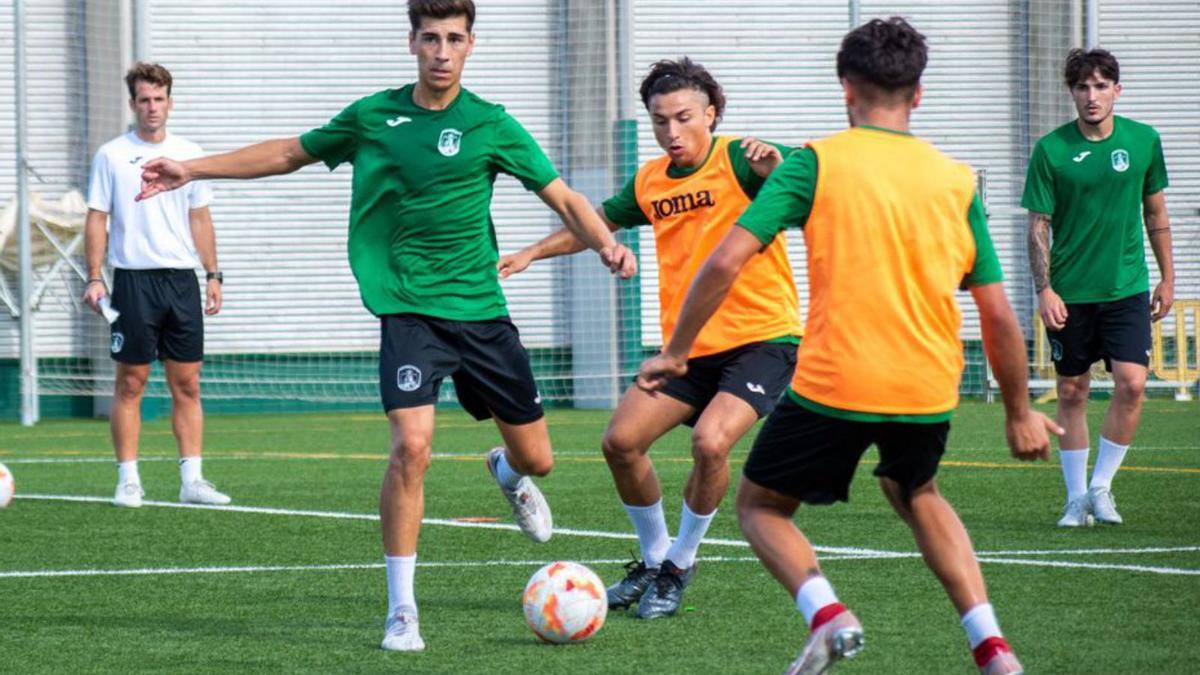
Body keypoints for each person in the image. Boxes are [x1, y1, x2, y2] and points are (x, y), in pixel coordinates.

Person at [135, 0, 634, 652]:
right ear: (413, 42)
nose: (442, 51)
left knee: (538, 456)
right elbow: (290, 152)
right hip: (408, 311)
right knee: (411, 446)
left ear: (470, 45)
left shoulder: (491, 123)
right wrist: (190, 167)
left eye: (454, 38)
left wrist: (603, 243)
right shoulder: (375, 116)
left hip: (483, 313)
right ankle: (402, 609)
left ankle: (509, 475)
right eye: (431, 38)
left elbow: (563, 195)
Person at [638, 18, 1061, 675]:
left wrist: (675, 350)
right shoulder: (953, 181)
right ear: (918, 93)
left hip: (838, 379)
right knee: (916, 490)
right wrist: (1017, 411)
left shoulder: (815, 162)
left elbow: (725, 261)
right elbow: (998, 314)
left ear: (846, 89)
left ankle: (829, 616)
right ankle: (994, 648)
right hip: (927, 383)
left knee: (759, 506)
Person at [498, 57, 800, 620]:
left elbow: (797, 188)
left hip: (763, 338)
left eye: (684, 118)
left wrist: (775, 170)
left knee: (711, 443)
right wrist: (534, 252)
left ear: (710, 113)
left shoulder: (744, 159)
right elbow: (597, 221)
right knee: (620, 442)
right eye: (660, 121)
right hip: (686, 350)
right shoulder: (651, 179)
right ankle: (654, 558)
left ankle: (681, 564)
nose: (671, 131)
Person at [1022, 48, 1174, 528]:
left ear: (1117, 90)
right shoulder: (1051, 150)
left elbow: (1155, 214)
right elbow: (1038, 226)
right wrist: (1044, 290)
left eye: (1101, 85)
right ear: (1071, 92)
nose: (1092, 96)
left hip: (1126, 286)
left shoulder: (1144, 141)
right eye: (1083, 87)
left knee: (1132, 384)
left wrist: (1168, 277)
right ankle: (1074, 499)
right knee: (1071, 390)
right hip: (1070, 291)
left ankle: (1101, 488)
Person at [82, 62, 230, 510]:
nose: (152, 107)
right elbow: (97, 218)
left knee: (188, 383)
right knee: (131, 382)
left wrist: (213, 274)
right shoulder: (111, 155)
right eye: (144, 99)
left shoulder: (188, 154)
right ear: (133, 104)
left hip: (181, 281)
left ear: (170, 102)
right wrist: (94, 276)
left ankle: (193, 480)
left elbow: (200, 218)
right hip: (132, 281)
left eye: (159, 99)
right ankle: (128, 480)